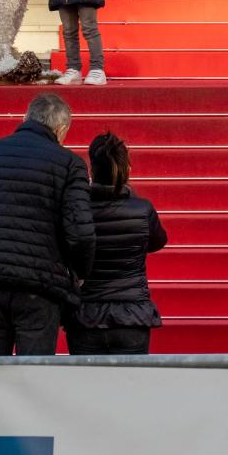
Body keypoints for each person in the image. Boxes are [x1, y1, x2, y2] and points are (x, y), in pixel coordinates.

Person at [0, 93, 95, 356]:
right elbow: (80, 233)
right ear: (61, 130)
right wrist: (78, 273)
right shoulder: (70, 164)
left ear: (26, 118)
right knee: (32, 377)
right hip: (40, 288)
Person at [67, 132, 168, 355]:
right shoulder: (142, 209)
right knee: (130, 387)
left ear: (91, 169)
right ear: (127, 169)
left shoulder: (77, 210)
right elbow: (158, 241)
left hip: (86, 316)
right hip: (132, 316)